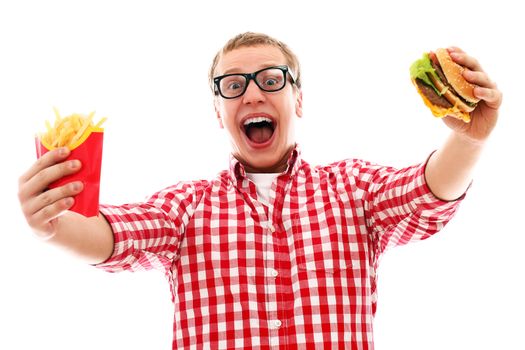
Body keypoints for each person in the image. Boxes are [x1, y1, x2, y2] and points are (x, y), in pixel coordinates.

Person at [17, 32, 502, 349]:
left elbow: (426, 193)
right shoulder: (186, 208)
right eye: (233, 85)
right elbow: (112, 236)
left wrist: (467, 137)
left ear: (298, 99)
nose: (252, 94)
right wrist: (52, 226)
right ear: (217, 111)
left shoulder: (354, 191)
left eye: (271, 80)